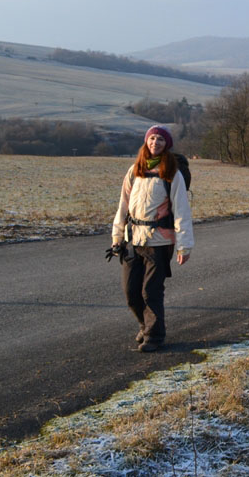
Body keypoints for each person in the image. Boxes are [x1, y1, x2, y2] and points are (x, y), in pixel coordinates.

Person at [111, 125, 194, 352]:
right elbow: (123, 205)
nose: (155, 143)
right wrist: (117, 236)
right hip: (132, 240)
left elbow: (181, 210)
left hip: (159, 241)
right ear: (146, 141)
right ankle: (145, 325)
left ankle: (155, 337)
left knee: (151, 291)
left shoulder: (172, 173)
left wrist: (184, 246)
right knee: (131, 292)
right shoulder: (134, 170)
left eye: (160, 140)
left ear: (166, 144)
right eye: (152, 138)